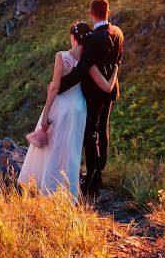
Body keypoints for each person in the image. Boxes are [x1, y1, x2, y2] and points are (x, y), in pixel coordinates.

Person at [18, 21, 117, 201]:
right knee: (71, 151)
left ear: (73, 38)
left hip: (61, 106)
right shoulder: (88, 63)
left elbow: (55, 88)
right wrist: (115, 69)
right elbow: (107, 87)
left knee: (51, 148)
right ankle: (67, 192)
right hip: (79, 109)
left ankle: (46, 187)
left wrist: (46, 114)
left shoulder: (61, 56)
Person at [56, 0, 124, 198]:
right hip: (110, 90)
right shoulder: (118, 32)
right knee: (103, 129)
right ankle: (99, 171)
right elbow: (117, 61)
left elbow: (83, 69)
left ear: (90, 13)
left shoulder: (93, 38)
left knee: (90, 133)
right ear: (108, 11)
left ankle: (92, 178)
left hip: (94, 93)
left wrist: (59, 86)